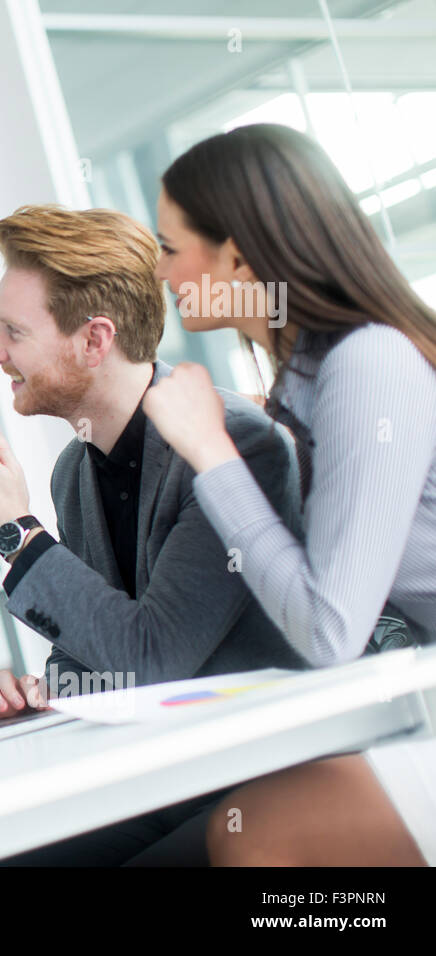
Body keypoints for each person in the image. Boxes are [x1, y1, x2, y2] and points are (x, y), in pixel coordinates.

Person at [0, 203, 307, 865]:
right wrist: (49, 694)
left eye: (13, 332)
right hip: (155, 774)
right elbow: (97, 655)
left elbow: (151, 656)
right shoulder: (73, 471)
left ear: (93, 340)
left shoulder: (231, 446)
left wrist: (14, 533)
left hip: (257, 777)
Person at [134, 123, 436, 866]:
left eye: (170, 248)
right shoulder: (311, 378)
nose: (162, 274)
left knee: (259, 836)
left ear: (235, 254)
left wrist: (210, 454)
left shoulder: (369, 364)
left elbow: (330, 631)